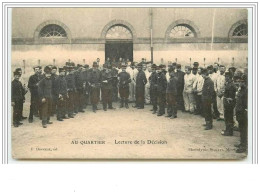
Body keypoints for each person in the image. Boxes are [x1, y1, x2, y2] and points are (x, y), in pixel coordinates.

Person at [234, 74, 248, 153]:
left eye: (241, 82)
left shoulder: (246, 91)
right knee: (241, 129)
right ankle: (242, 143)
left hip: (243, 113)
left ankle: (243, 146)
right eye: (239, 81)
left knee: (244, 129)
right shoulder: (241, 89)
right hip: (239, 112)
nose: (239, 83)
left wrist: (245, 111)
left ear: (245, 82)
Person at [221, 71, 237, 136]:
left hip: (229, 104)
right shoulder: (228, 84)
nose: (225, 78)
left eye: (226, 77)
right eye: (225, 76)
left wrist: (227, 99)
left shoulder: (231, 85)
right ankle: (227, 129)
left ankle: (229, 131)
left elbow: (231, 97)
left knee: (229, 117)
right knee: (227, 117)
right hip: (227, 103)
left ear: (230, 77)